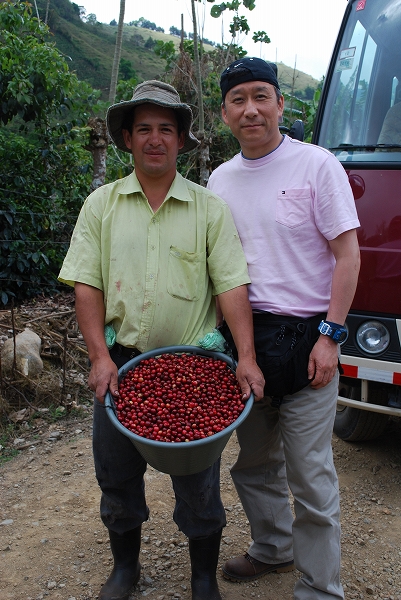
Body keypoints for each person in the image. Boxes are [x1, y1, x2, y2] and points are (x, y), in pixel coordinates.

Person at [58, 79, 264, 600]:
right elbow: (88, 285)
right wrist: (99, 358)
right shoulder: (101, 206)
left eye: (166, 129)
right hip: (122, 365)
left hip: (193, 367)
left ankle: (201, 579)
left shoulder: (208, 209)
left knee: (198, 484)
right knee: (116, 474)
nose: (155, 139)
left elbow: (232, 283)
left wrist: (245, 357)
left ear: (181, 140)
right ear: (127, 139)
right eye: (144, 128)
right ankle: (125, 569)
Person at [207, 57, 361, 600]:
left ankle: (321, 588)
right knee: (254, 462)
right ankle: (273, 547)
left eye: (261, 96)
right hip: (245, 342)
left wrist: (331, 336)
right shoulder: (220, 180)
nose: (250, 109)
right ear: (224, 112)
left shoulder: (317, 166)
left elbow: (348, 255)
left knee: (311, 475)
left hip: (308, 339)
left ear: (278, 103)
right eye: (237, 99)